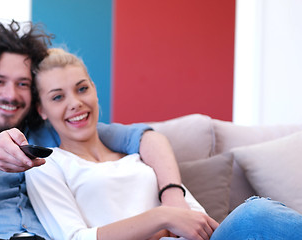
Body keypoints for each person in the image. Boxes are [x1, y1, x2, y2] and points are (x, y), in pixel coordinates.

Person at [0, 20, 188, 240]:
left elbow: (145, 138)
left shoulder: (51, 133)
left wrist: (173, 196)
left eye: (22, 84)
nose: (11, 95)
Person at [25, 48, 302, 240]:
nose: (76, 103)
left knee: (256, 216)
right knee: (256, 214)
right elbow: (75, 238)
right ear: (41, 110)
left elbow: (195, 219)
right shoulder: (45, 166)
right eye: (58, 97)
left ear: (95, 91)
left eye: (82, 88)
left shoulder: (141, 155)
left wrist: (170, 219)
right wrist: (161, 220)